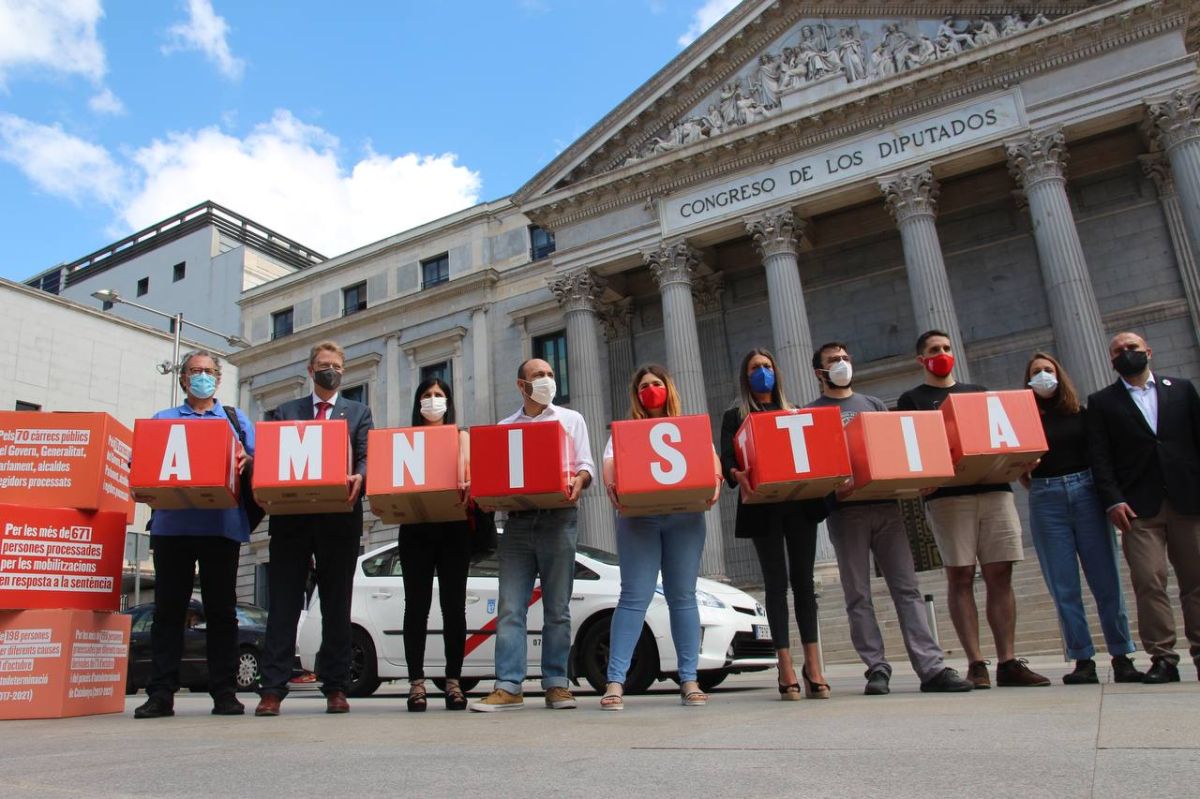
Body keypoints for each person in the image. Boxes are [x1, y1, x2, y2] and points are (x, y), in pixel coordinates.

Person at [806, 342, 973, 695]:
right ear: (819, 372)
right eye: (833, 360)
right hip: (846, 512)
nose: (842, 363)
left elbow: (894, 448)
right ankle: (876, 667)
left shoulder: (873, 405)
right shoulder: (812, 412)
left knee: (907, 588)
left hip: (887, 507)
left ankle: (931, 667)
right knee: (857, 594)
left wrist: (919, 477)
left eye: (845, 358)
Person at [897, 330, 1049, 688]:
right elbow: (912, 447)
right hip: (949, 498)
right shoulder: (912, 400)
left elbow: (999, 437)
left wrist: (1023, 459)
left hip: (995, 491)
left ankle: (1008, 661)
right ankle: (976, 662)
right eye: (935, 349)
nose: (942, 353)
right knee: (960, 575)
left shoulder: (977, 393)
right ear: (921, 359)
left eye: (947, 348)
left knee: (1001, 573)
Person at [134, 350, 254, 719]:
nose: (202, 376)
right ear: (183, 378)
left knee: (222, 613)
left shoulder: (235, 420)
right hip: (172, 529)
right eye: (195, 371)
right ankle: (161, 693)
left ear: (218, 378)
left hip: (221, 528)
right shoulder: (163, 419)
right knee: (168, 612)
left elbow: (260, 463)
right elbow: (143, 462)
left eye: (208, 371)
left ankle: (225, 692)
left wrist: (248, 460)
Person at [255, 341, 373, 716]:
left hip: (339, 518)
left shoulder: (358, 412)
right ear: (310, 370)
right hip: (291, 519)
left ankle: (336, 686)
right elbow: (269, 454)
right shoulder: (285, 412)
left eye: (336, 365)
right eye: (324, 364)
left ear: (344, 371)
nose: (330, 370)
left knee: (337, 605)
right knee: (284, 604)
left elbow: (367, 454)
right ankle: (272, 689)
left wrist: (361, 476)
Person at [470, 358, 593, 711]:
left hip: (559, 519)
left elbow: (585, 465)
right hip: (518, 524)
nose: (547, 379)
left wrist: (580, 481)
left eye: (550, 374)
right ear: (521, 385)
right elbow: (496, 473)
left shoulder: (571, 419)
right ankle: (508, 685)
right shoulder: (505, 427)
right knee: (510, 607)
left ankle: (557, 684)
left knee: (558, 608)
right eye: (539, 375)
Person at [599, 365, 721, 710]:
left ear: (668, 388)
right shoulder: (625, 431)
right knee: (633, 597)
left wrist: (715, 482)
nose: (650, 390)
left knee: (683, 596)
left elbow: (711, 459)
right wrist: (612, 486)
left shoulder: (687, 428)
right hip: (640, 518)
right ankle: (615, 681)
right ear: (635, 395)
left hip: (684, 517)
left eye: (656, 384)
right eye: (643, 386)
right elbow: (610, 462)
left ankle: (689, 678)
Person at [1020, 352, 1142, 684]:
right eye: (1036, 371)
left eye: (1048, 370)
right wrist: (1026, 473)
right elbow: (1016, 467)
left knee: (1106, 580)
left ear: (1059, 374)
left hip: (1085, 490)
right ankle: (1082, 658)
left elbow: (1100, 456)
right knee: (1063, 585)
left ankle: (1122, 654)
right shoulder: (1024, 420)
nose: (1043, 375)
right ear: (1027, 380)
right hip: (1046, 496)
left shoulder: (1082, 413)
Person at [1086, 332, 1200, 683]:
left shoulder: (1181, 389)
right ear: (1111, 360)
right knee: (1149, 581)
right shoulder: (1102, 402)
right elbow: (1100, 458)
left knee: (1196, 581)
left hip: (1187, 500)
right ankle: (1163, 657)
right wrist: (1112, 499)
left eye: (1132, 348)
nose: (1126, 353)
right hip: (1137, 508)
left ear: (1148, 351)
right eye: (1118, 351)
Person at [720, 348, 830, 700]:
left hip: (799, 504)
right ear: (745, 375)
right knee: (775, 584)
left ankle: (813, 665)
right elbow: (727, 460)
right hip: (763, 507)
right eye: (756, 367)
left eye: (767, 366)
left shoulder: (793, 411)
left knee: (804, 583)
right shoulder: (735, 416)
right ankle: (785, 665)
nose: (762, 372)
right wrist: (736, 471)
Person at [397, 377, 474, 711]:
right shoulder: (404, 440)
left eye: (439, 395)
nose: (433, 400)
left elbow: (469, 475)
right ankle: (416, 683)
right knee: (416, 606)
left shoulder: (461, 436)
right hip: (415, 529)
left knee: (454, 607)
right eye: (427, 395)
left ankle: (453, 681)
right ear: (418, 402)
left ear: (448, 401)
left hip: (453, 529)